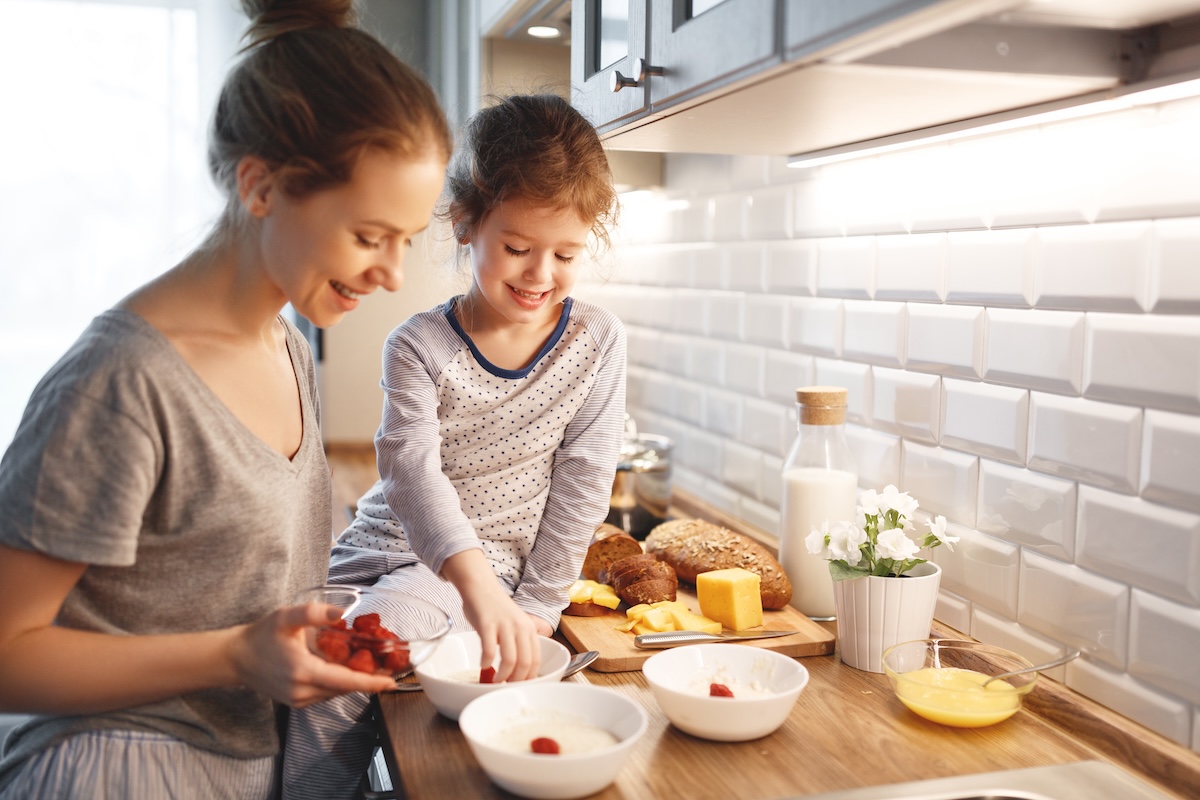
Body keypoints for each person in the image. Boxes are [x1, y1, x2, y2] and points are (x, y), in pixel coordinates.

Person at [0, 0, 453, 796]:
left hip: (244, 765)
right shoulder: (123, 382)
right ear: (261, 186)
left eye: (406, 240)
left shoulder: (285, 344)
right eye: (368, 234)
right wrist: (235, 654)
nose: (390, 274)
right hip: (115, 765)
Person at [282, 93, 626, 799]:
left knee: (339, 675)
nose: (540, 274)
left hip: (470, 569)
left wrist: (534, 606)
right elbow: (410, 471)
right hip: (376, 541)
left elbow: (585, 478)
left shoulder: (596, 340)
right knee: (289, 661)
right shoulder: (419, 344)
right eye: (518, 248)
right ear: (466, 223)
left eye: (565, 253)